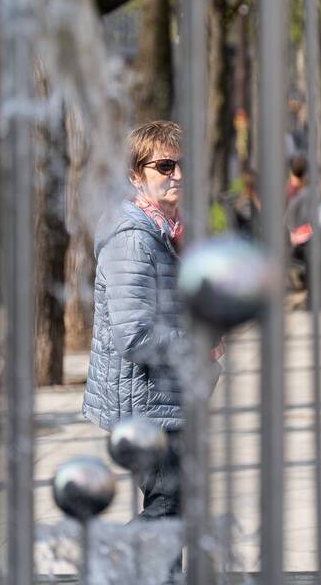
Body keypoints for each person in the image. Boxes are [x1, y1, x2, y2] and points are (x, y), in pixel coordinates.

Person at [82, 120, 220, 521]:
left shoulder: (169, 231)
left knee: (174, 508)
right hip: (145, 404)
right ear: (134, 175)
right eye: (163, 166)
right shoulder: (133, 239)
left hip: (166, 397)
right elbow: (135, 335)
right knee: (167, 510)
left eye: (183, 164)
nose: (177, 174)